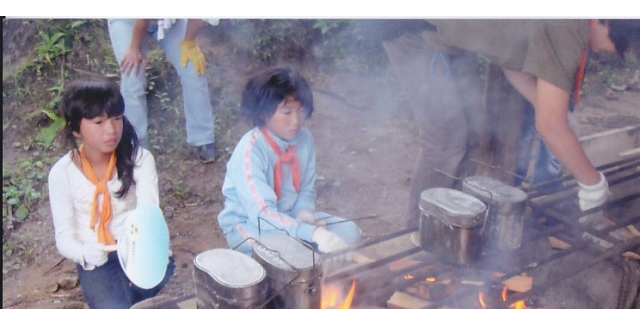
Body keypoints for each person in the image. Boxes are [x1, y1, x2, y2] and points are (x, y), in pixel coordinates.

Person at [382, 19, 640, 229]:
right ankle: (418, 232)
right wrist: (593, 185)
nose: (616, 52)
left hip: (451, 41)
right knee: (447, 140)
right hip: (413, 29)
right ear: (610, 22)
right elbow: (550, 126)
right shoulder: (571, 23)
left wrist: (557, 113)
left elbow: (510, 62)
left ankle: (453, 225)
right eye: (623, 46)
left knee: (474, 135)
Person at [48, 76, 174, 309]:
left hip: (135, 247)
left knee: (165, 268)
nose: (111, 129)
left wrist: (155, 243)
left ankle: (133, 306)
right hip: (96, 256)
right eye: (98, 122)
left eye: (117, 118)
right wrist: (84, 253)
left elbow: (150, 212)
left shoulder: (139, 159)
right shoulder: (62, 174)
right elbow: (64, 237)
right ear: (76, 129)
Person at [217, 66, 362, 256]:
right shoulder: (250, 152)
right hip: (249, 224)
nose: (296, 121)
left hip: (290, 217)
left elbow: (305, 190)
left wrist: (304, 213)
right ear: (263, 113)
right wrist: (312, 234)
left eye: (301, 111)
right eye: (286, 113)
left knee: (349, 231)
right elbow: (262, 215)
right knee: (288, 251)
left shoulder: (305, 139)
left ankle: (312, 267)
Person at [108, 18, 218, 163]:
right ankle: (135, 148)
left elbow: (199, 17)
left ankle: (202, 139)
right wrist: (134, 49)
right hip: (127, 19)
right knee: (133, 76)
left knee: (193, 68)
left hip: (169, 20)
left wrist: (189, 43)